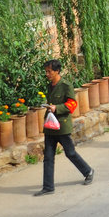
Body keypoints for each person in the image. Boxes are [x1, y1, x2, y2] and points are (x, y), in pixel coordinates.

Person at [35, 59, 94, 195]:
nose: (47, 74)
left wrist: (57, 108)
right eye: (46, 72)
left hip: (62, 126)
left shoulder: (65, 85)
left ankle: (88, 171)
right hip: (50, 126)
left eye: (49, 71)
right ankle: (48, 187)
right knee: (48, 157)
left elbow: (72, 104)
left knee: (70, 153)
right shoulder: (50, 86)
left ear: (57, 71)